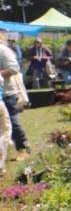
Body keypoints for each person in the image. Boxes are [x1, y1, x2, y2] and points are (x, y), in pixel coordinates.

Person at [0, 32, 29, 161]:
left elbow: (14, 68)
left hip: (6, 93)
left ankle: (23, 148)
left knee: (12, 122)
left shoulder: (3, 51)